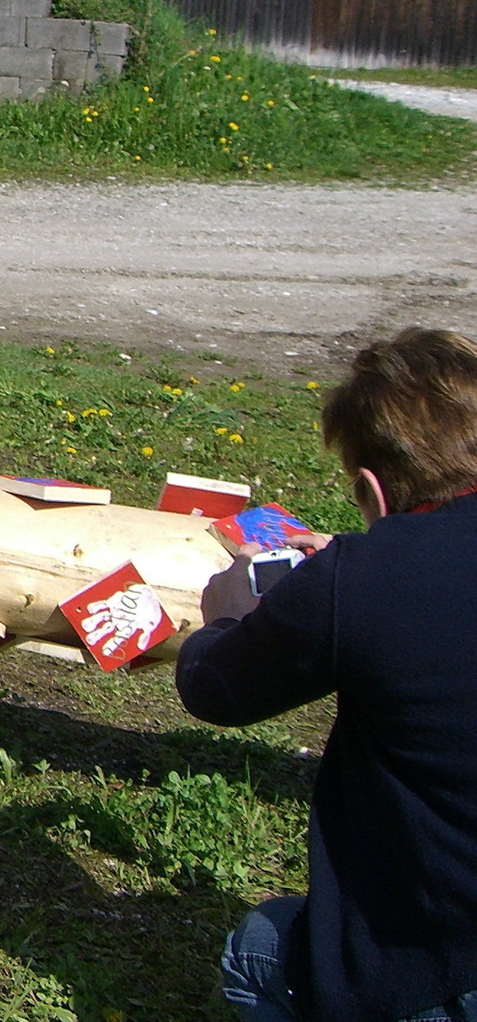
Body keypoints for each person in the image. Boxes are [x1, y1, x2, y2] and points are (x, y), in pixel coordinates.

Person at [176, 328, 477, 1022]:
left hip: (442, 973)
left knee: (257, 946)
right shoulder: (365, 573)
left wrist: (227, 616)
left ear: (371, 488)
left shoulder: (360, 580)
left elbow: (213, 689)